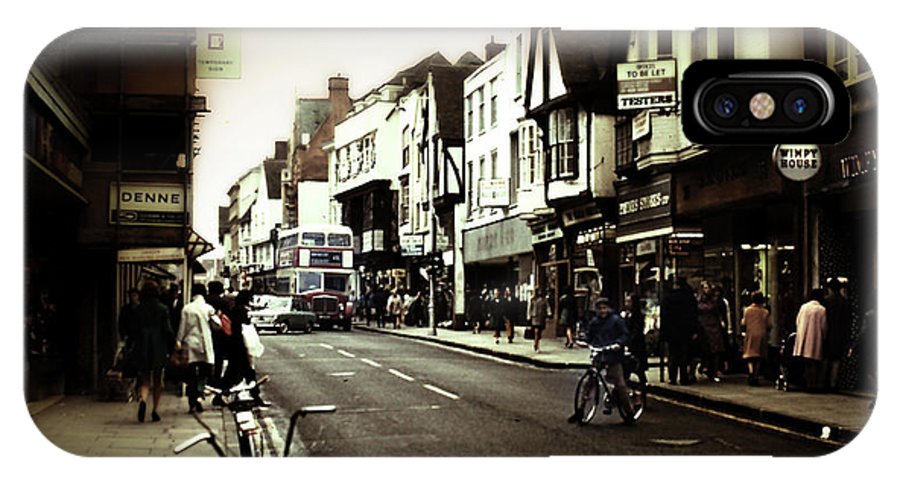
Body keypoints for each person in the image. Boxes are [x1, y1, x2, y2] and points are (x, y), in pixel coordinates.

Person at [568, 297, 636, 423]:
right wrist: (583, 341)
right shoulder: (595, 322)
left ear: (609, 308)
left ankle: (630, 412)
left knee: (620, 384)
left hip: (613, 356)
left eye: (604, 308)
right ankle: (580, 411)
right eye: (599, 308)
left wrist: (618, 344)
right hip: (599, 355)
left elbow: (625, 334)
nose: (602, 311)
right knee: (588, 383)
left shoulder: (616, 320)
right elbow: (589, 335)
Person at [132, 280, 175, 423]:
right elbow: (167, 330)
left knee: (144, 379)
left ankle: (143, 400)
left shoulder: (138, 309)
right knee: (158, 380)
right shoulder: (162, 309)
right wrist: (173, 344)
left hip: (142, 346)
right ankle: (155, 410)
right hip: (158, 347)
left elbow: (133, 330)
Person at [219, 290, 268, 406]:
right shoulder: (241, 311)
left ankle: (221, 395)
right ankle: (256, 396)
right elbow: (243, 329)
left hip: (234, 346)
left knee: (235, 373)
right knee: (247, 372)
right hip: (239, 346)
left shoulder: (235, 310)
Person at [177, 284, 217, 413]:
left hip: (190, 344)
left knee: (191, 374)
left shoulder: (187, 309)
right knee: (204, 373)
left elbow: (182, 328)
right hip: (204, 344)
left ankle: (192, 402)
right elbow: (219, 325)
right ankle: (200, 395)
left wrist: (178, 341)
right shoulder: (208, 308)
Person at [660, 277, 700, 385]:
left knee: (672, 355)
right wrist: (694, 330)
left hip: (672, 332)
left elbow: (664, 316)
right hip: (685, 331)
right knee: (684, 355)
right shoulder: (689, 297)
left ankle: (672, 378)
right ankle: (683, 377)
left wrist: (663, 333)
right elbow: (694, 316)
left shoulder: (667, 298)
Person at [793, 288, 828, 392]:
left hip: (803, 336)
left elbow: (797, 321)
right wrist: (824, 336)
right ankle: (813, 385)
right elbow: (824, 326)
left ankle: (808, 384)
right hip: (815, 337)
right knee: (814, 363)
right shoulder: (821, 309)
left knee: (807, 363)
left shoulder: (804, 307)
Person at [823, 278, 851, 392]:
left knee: (825, 359)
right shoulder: (845, 302)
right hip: (840, 335)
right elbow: (848, 321)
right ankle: (833, 384)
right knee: (836, 360)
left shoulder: (825, 301)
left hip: (827, 333)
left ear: (829, 288)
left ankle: (823, 383)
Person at [696, 281, 727, 383]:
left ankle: (713, 371)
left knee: (715, 350)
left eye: (708, 287)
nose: (707, 290)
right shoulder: (699, 300)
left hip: (714, 326)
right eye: (704, 288)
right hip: (703, 327)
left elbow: (719, 313)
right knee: (705, 350)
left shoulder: (715, 300)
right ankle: (704, 367)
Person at [741, 291, 771, 386]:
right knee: (758, 356)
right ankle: (756, 375)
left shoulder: (747, 310)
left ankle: (750, 371)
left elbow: (743, 323)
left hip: (750, 334)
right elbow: (769, 324)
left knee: (750, 354)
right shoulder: (765, 312)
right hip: (761, 334)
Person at [206, 281, 230, 389]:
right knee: (218, 357)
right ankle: (216, 379)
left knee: (207, 356)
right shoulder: (224, 302)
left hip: (207, 331)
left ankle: (208, 379)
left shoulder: (205, 301)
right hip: (220, 334)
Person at [622, 294, 648, 388]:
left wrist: (629, 342)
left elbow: (636, 331)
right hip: (628, 345)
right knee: (626, 368)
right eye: (626, 301)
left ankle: (643, 386)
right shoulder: (627, 314)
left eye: (629, 301)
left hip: (636, 346)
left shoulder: (638, 315)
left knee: (638, 368)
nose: (626, 304)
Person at [529, 288, 550, 352]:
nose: (539, 292)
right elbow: (530, 307)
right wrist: (529, 315)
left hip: (541, 317)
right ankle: (536, 345)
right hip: (535, 317)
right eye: (538, 291)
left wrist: (549, 313)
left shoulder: (544, 300)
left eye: (540, 291)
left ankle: (536, 343)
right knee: (536, 331)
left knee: (539, 332)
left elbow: (547, 306)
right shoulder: (533, 299)